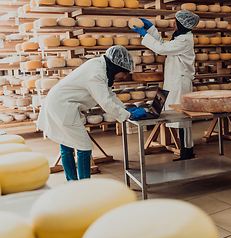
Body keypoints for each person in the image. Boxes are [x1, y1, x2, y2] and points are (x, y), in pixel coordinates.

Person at [37, 45, 145, 181]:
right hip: (62, 107)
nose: (123, 77)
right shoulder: (96, 73)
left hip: (58, 103)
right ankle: (85, 186)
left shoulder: (101, 65)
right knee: (84, 147)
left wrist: (124, 109)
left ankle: (73, 183)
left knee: (67, 145)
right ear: (117, 68)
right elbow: (105, 102)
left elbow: (109, 94)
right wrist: (128, 115)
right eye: (124, 73)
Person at [131, 10, 200, 161]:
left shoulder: (185, 40)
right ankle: (186, 151)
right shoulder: (180, 37)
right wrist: (151, 30)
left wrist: (145, 35)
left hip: (180, 82)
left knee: (182, 118)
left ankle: (187, 152)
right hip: (174, 80)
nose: (174, 23)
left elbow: (161, 49)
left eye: (176, 21)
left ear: (183, 24)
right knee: (179, 118)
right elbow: (163, 44)